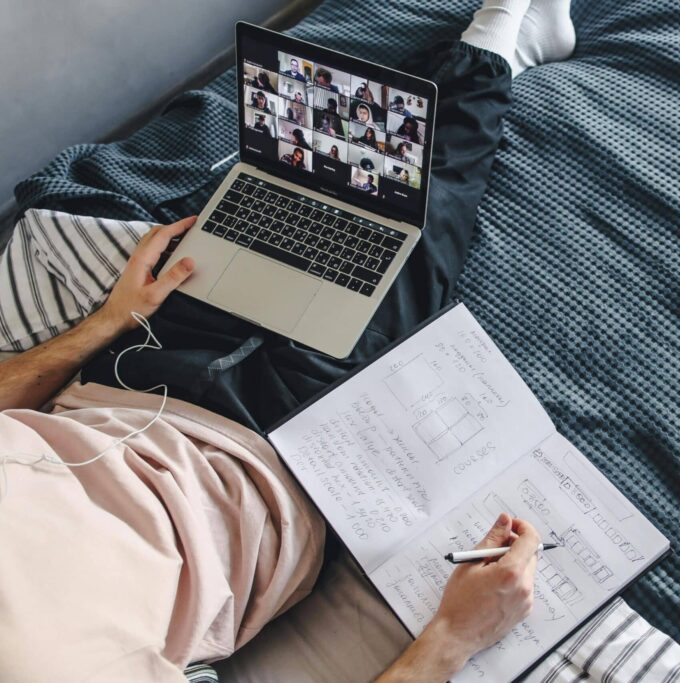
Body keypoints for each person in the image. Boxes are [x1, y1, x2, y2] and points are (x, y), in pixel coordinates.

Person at [0, 0, 577, 680]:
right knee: (412, 234)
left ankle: (484, 57)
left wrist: (110, 319)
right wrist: (453, 635)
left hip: (128, 381)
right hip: (276, 467)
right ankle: (498, 52)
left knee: (281, 195)